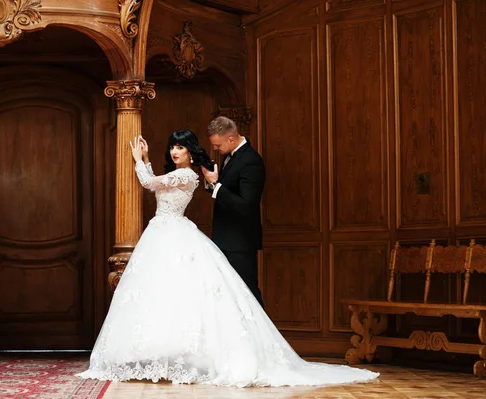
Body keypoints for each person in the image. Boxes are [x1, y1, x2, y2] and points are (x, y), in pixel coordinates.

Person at [76, 129, 379, 387]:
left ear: (191, 152)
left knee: (184, 294)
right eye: (173, 146)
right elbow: (156, 183)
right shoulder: (175, 173)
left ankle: (186, 360)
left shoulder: (187, 176)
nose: (175, 150)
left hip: (174, 232)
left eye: (180, 146)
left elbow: (149, 183)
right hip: (160, 232)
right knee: (162, 295)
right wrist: (146, 161)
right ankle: (162, 357)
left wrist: (141, 161)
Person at [201, 116, 265, 307]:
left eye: (217, 145)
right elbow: (226, 192)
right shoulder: (230, 156)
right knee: (229, 294)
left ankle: (261, 336)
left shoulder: (251, 160)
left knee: (247, 292)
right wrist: (211, 181)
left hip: (240, 242)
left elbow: (246, 205)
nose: (215, 149)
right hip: (225, 238)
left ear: (231, 138)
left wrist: (215, 184)